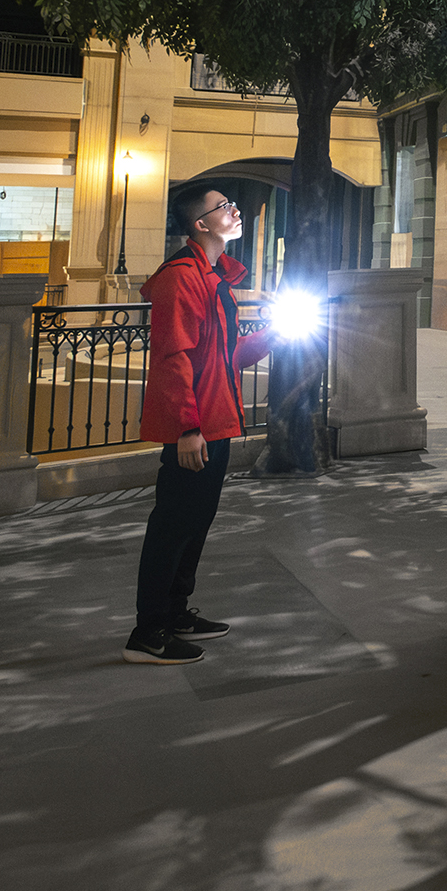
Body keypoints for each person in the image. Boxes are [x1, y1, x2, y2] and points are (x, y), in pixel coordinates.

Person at [124, 188, 274, 665]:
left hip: (218, 420)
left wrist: (274, 335)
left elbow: (224, 357)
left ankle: (176, 612)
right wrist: (187, 428)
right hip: (198, 427)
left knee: (196, 522)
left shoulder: (213, 278)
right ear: (201, 225)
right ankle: (148, 633)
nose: (234, 209)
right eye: (223, 206)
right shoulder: (181, 279)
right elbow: (174, 358)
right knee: (173, 526)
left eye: (233, 202)